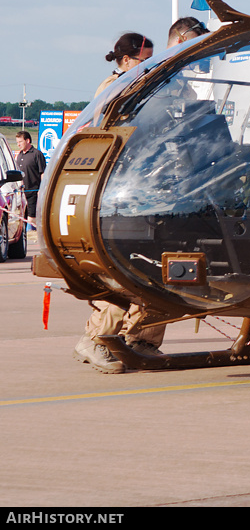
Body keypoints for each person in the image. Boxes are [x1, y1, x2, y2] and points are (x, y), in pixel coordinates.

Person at [74, 32, 162, 374]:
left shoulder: (143, 86)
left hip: (146, 190)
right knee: (125, 270)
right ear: (126, 62)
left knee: (158, 269)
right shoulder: (114, 88)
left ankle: (141, 338)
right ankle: (96, 339)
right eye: (145, 61)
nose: (150, 67)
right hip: (120, 194)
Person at [94, 32, 154, 98]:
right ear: (126, 60)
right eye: (145, 60)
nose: (148, 64)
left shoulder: (141, 81)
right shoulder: (111, 85)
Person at [13, 130, 45, 226]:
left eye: (20, 142)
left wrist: (42, 189)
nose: (18, 145)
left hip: (33, 192)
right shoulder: (19, 155)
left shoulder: (37, 154)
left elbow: (42, 172)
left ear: (27, 141)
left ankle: (38, 235)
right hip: (21, 193)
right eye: (17, 142)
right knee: (22, 219)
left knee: (32, 219)